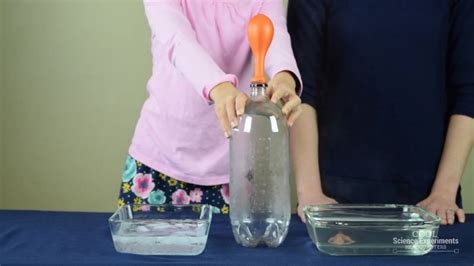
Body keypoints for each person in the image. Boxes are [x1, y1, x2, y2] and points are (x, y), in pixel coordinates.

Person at [288, 0, 474, 225]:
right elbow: (299, 90)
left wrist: (444, 192)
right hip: (334, 204)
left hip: (431, 205)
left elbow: (468, 92)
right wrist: (310, 192)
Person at [118, 0, 302, 214]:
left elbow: (275, 36)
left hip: (233, 171)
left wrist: (285, 77)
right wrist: (219, 87)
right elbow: (178, 41)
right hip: (157, 162)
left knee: (233, 247)